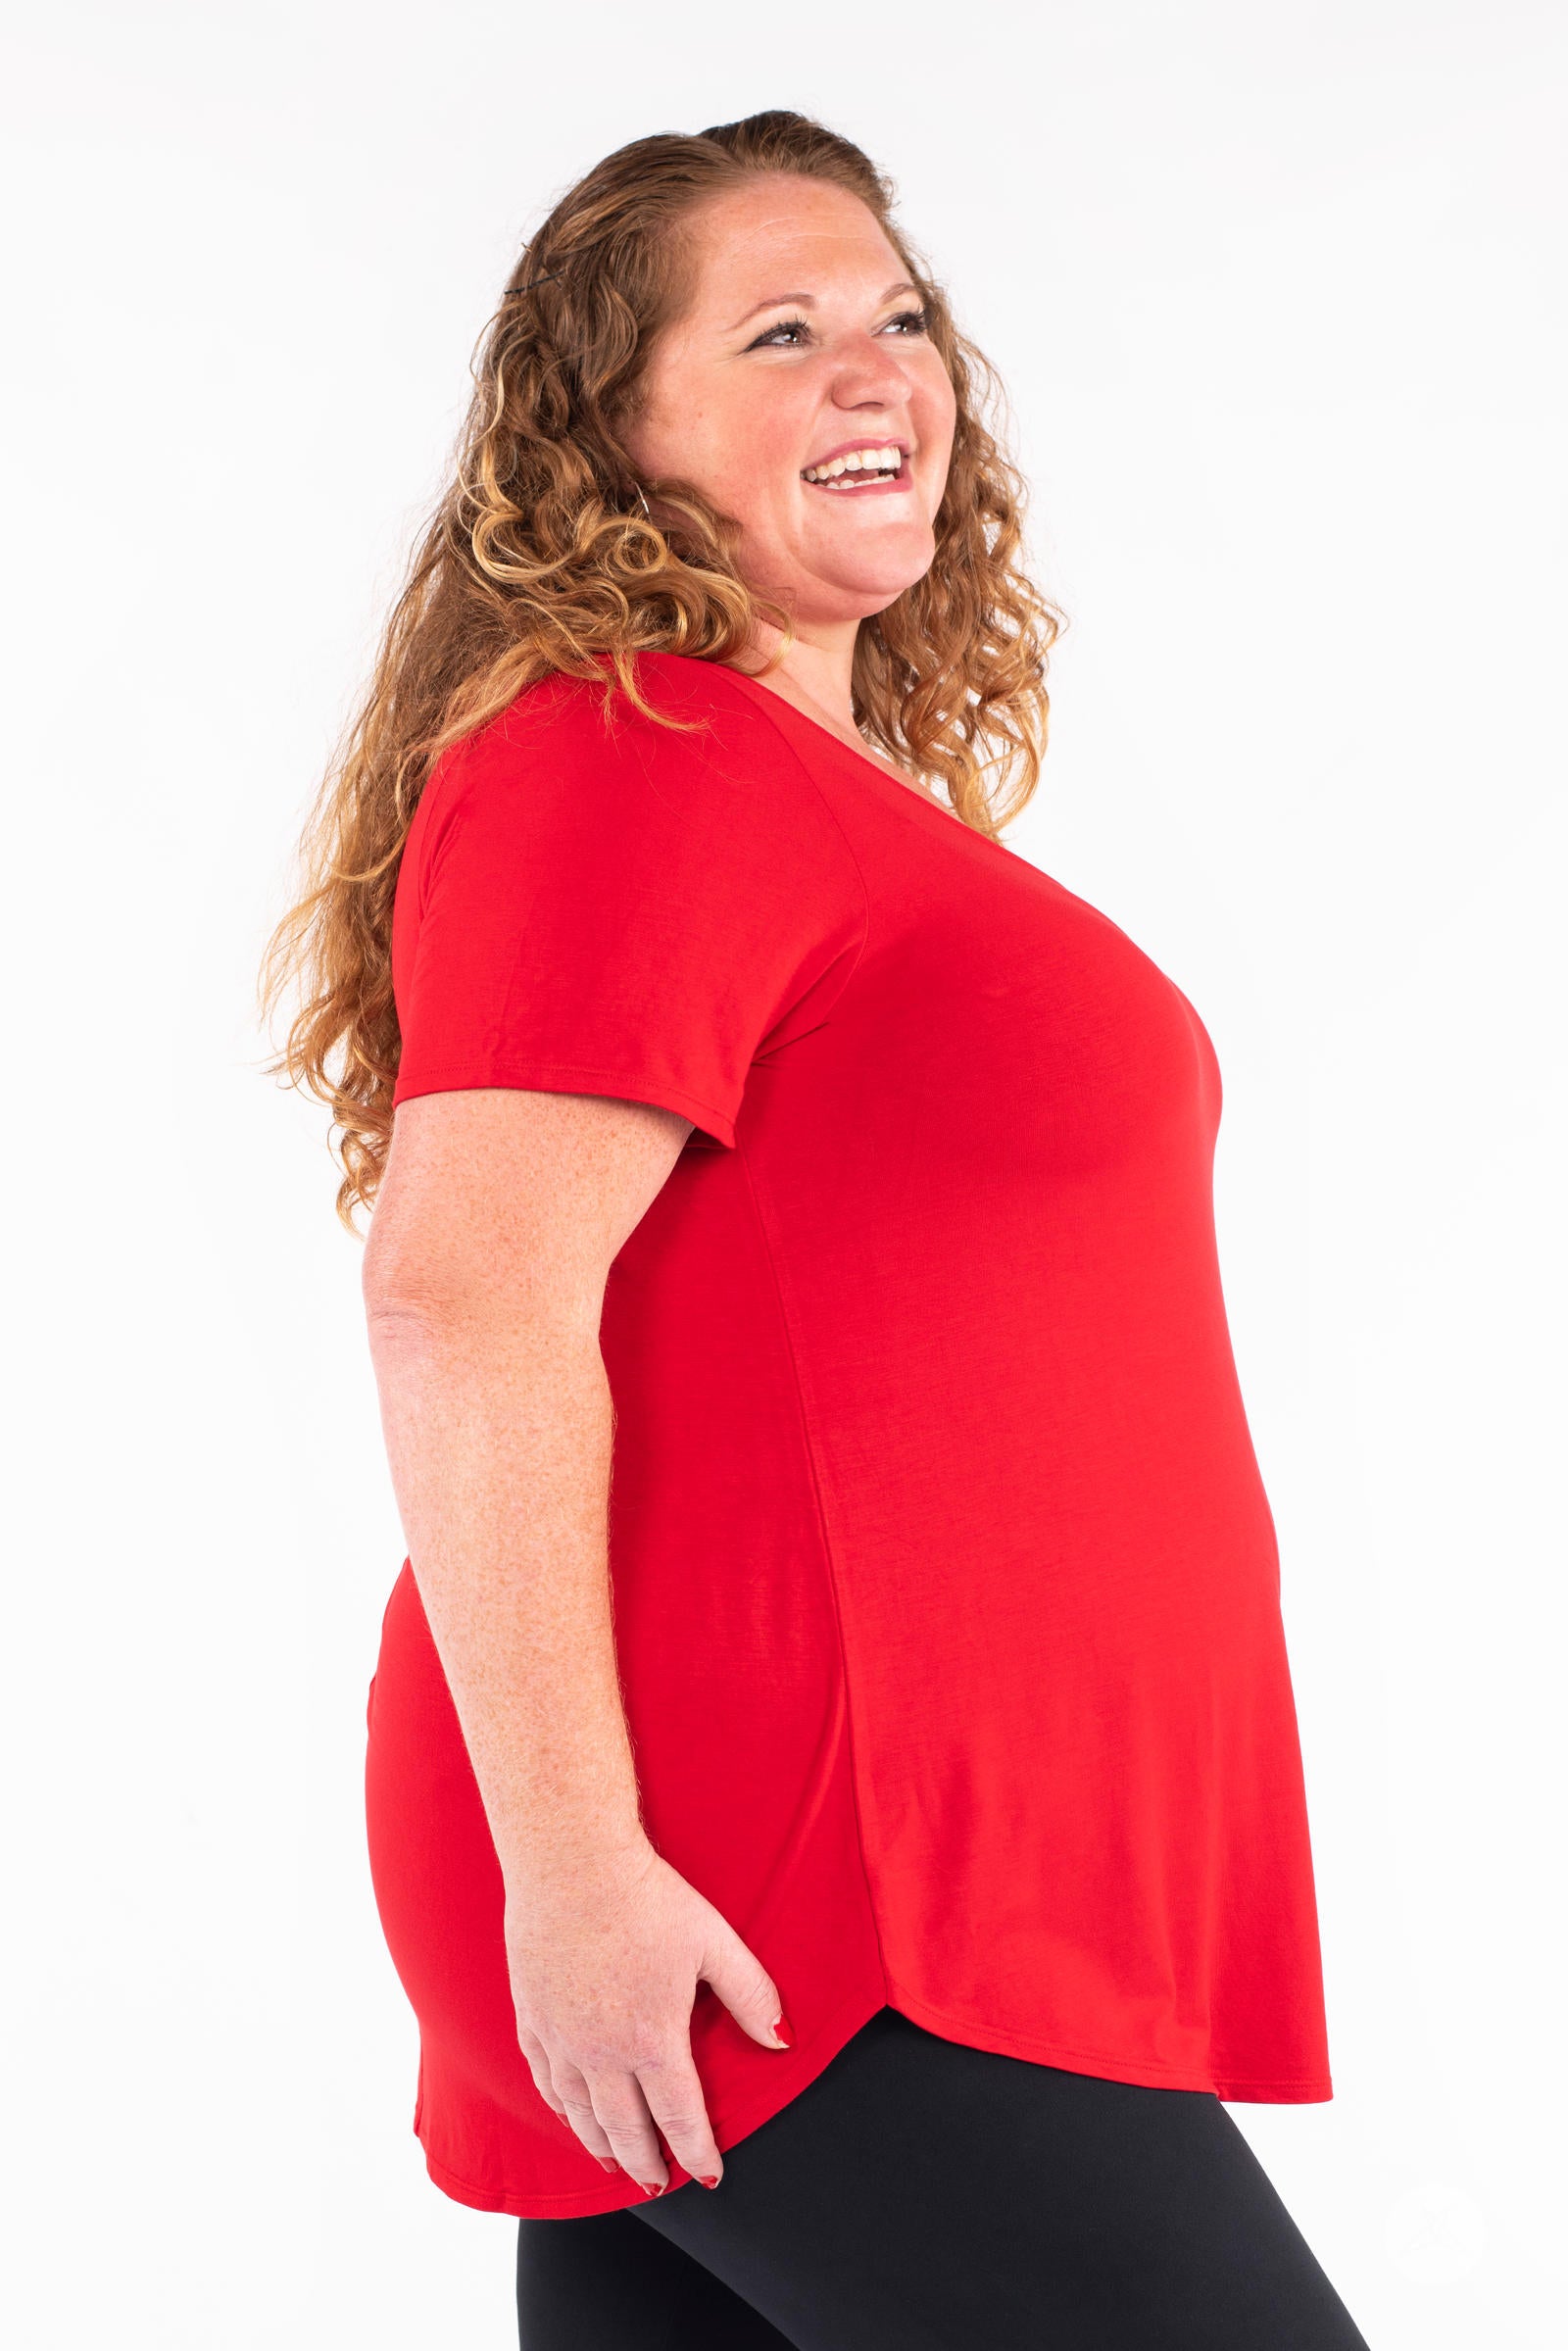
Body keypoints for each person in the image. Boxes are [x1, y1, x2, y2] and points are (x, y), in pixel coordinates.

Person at [263, 109, 1372, 2351]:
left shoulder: (811, 799)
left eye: (896, 317)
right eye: (778, 331)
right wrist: (577, 1883)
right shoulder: (632, 748)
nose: (874, 369)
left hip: (868, 1874)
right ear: (613, 429)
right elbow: (464, 1301)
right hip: (776, 1888)